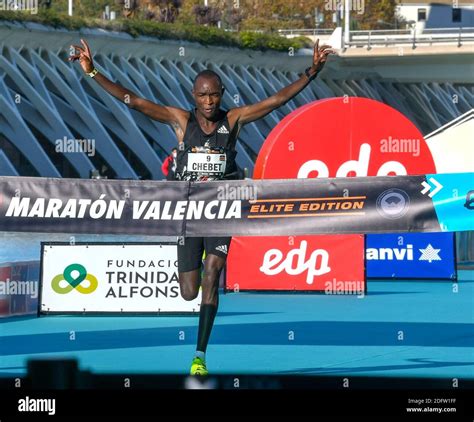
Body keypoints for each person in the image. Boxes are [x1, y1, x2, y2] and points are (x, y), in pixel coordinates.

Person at [69, 38, 334, 375]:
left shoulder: (234, 120)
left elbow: (276, 100)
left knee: (213, 274)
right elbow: (132, 100)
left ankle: (199, 356)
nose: (209, 102)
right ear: (193, 97)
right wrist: (92, 73)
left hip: (221, 210)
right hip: (189, 214)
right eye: (202, 96)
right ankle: (203, 262)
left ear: (222, 93)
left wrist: (312, 72)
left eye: (214, 95)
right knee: (187, 291)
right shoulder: (181, 121)